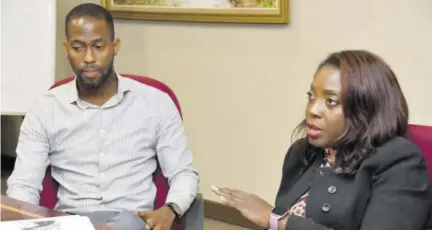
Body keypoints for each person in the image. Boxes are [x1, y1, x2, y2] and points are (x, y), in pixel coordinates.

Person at [6, 3, 199, 230]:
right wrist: (22, 222)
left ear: (114, 46)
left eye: (98, 47)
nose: (89, 58)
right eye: (78, 48)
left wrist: (170, 209)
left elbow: (183, 173)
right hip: (71, 222)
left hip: (132, 221)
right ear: (66, 48)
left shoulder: (156, 103)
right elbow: (24, 183)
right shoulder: (45, 109)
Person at [212, 50, 431, 229]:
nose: (313, 110)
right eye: (311, 96)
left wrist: (279, 221)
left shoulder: (399, 162)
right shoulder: (302, 152)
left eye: (330, 101)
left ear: (366, 108)